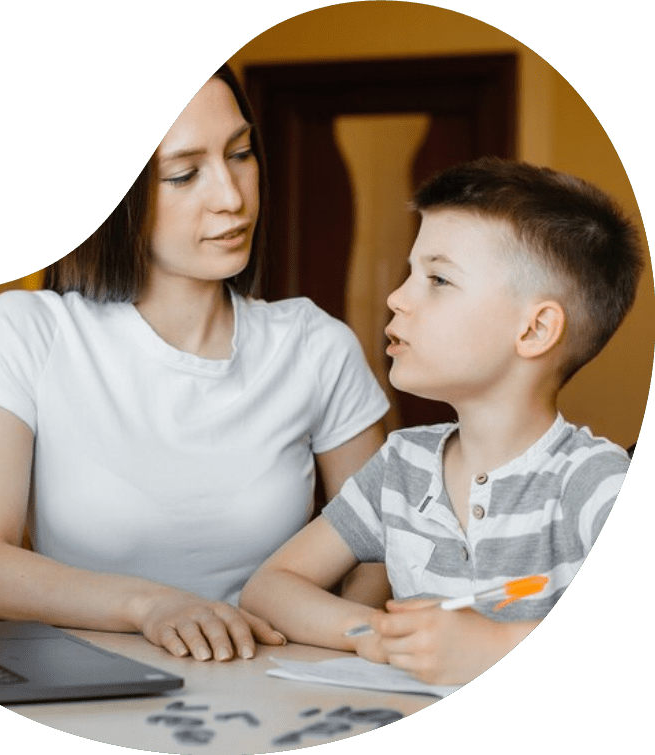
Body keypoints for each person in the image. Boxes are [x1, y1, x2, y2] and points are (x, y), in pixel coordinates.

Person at [0, 64, 390, 662]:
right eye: (183, 174)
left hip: (274, 688)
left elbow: (380, 547)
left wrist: (339, 649)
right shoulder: (30, 330)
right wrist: (150, 606)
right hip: (85, 689)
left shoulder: (315, 344)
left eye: (241, 154)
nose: (231, 198)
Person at [240, 157, 641, 684]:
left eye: (438, 278)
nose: (397, 297)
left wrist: (498, 646)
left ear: (536, 329)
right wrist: (380, 636)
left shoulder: (594, 482)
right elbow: (270, 587)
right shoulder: (402, 465)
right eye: (411, 273)